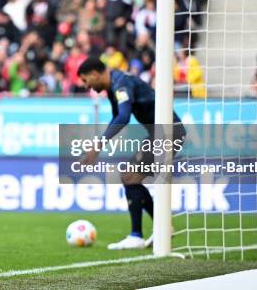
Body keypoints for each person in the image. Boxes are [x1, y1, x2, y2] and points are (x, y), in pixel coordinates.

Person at [77, 57, 186, 250]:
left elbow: (124, 116)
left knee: (129, 175)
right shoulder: (114, 86)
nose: (86, 86)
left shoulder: (121, 84)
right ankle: (160, 229)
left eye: (85, 80)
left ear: (94, 74)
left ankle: (139, 235)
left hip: (168, 132)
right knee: (130, 176)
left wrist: (98, 145)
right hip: (162, 132)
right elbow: (117, 117)